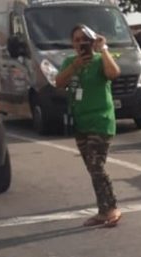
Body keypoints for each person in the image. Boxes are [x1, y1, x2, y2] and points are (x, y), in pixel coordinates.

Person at [55, 24, 122, 227]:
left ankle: (111, 208)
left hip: (101, 120)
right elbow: (58, 82)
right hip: (80, 122)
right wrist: (75, 66)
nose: (81, 43)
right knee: (92, 168)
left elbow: (114, 73)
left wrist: (103, 49)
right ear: (72, 44)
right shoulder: (70, 62)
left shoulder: (101, 59)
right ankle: (103, 211)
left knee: (96, 165)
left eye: (85, 39)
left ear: (92, 41)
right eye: (77, 40)